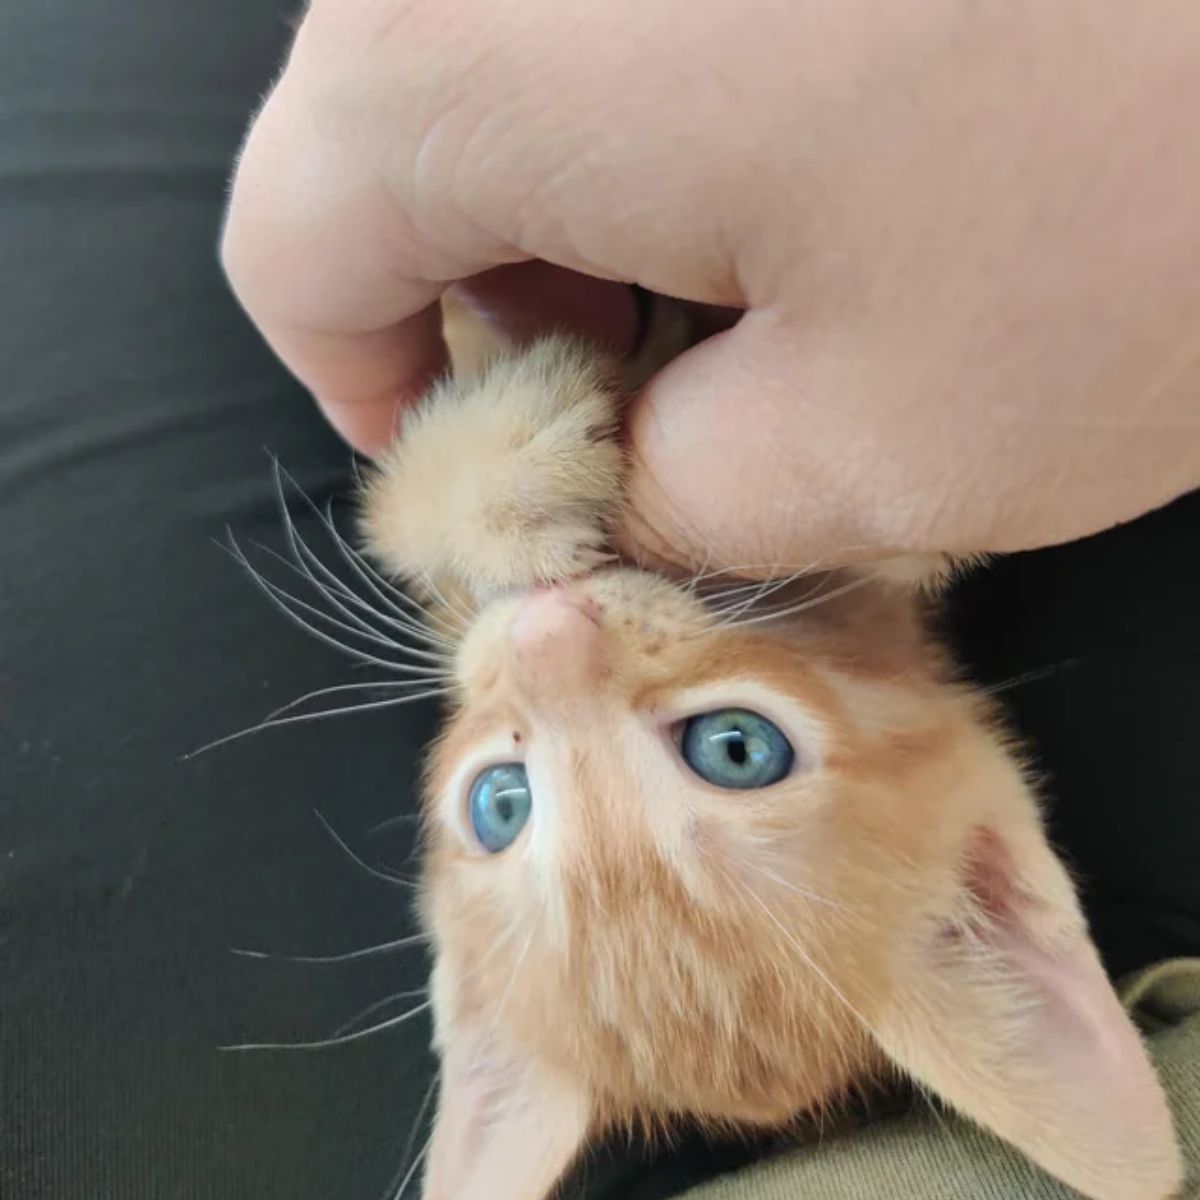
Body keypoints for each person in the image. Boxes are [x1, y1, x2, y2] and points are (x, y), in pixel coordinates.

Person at [3, 2, 1196, 1198]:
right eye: (736, 751)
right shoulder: (960, 488)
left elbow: (449, 503)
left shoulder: (507, 604)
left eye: (506, 802)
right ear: (985, 882)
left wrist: (464, 492)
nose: (550, 646)